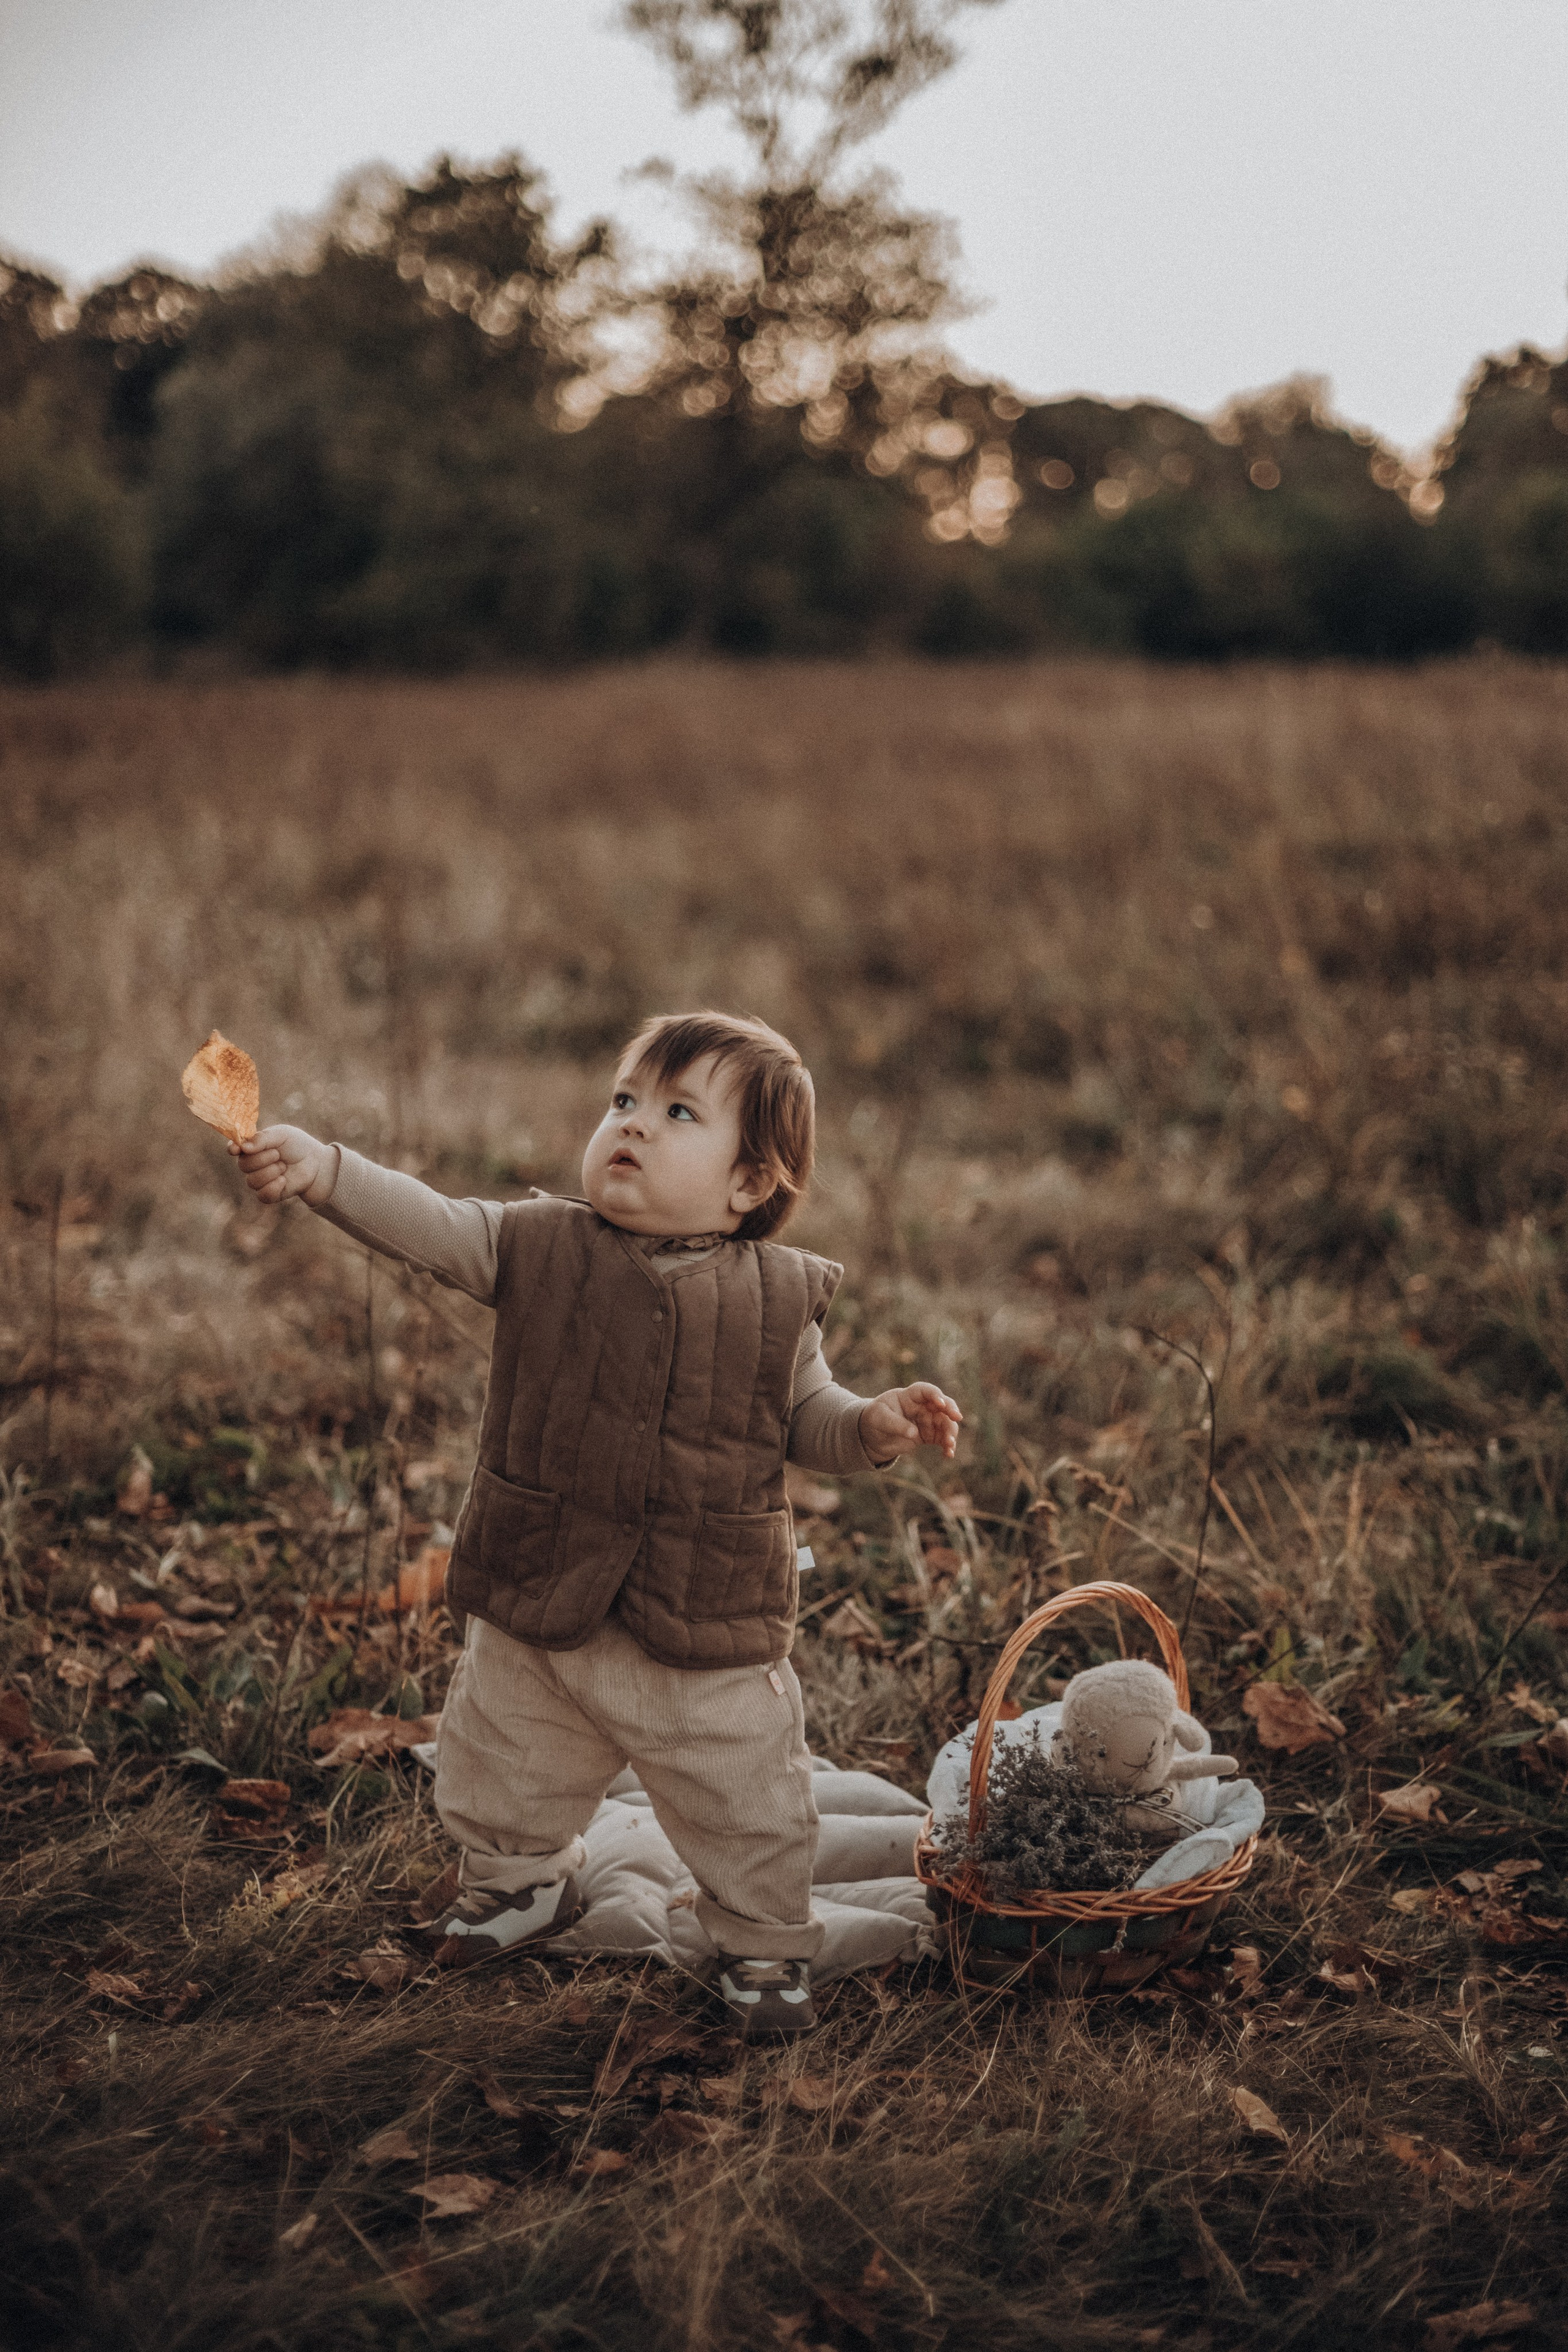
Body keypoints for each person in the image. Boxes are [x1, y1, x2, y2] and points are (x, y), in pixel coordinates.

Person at [234, 1011, 960, 2037]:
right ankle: (520, 1881)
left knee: (745, 1794)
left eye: (679, 1113)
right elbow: (432, 1223)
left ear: (750, 1183)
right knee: (501, 1754)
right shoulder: (537, 1247)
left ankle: (762, 1942)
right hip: (541, 1585)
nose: (635, 1125)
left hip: (701, 1617)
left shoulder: (777, 1301)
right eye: (624, 1101)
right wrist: (327, 1171)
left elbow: (811, 1419)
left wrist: (874, 1425)